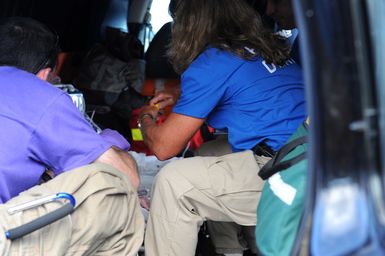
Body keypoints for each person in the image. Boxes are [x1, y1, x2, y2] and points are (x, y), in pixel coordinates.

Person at [138, 0, 307, 255]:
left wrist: (145, 118)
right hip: (311, 155)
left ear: (189, 25)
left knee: (174, 182)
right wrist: (183, 96)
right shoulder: (270, 49)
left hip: (290, 174)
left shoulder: (212, 62)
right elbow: (247, 90)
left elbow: (164, 147)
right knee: (211, 151)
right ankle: (232, 250)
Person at [0, 17, 144, 255]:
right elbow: (127, 177)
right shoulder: (39, 94)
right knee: (112, 192)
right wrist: (107, 140)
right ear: (46, 74)